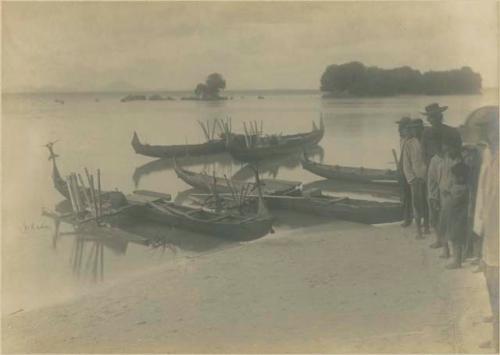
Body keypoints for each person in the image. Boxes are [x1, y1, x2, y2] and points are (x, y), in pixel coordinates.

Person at [474, 113, 499, 352]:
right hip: (490, 231)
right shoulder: (487, 155)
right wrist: (478, 226)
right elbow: (483, 194)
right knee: (491, 287)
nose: (489, 135)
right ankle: (496, 338)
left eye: (492, 130)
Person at [437, 136, 463, 259]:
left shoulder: (459, 161)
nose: (447, 151)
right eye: (446, 149)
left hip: (454, 196)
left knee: (453, 227)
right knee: (443, 224)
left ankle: (457, 257)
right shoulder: (446, 158)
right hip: (445, 195)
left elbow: (460, 181)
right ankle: (445, 251)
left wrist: (450, 190)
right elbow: (442, 176)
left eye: (449, 149)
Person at [402, 119, 428, 239]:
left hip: (427, 178)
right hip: (415, 180)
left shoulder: (427, 141)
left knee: (428, 203)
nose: (416, 130)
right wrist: (412, 178)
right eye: (413, 128)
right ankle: (418, 230)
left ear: (422, 128)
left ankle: (427, 226)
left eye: (418, 128)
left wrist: (426, 176)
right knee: (416, 204)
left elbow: (430, 161)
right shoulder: (409, 144)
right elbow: (406, 163)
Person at [444, 162, 469, 269]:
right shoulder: (460, 187)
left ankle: (457, 262)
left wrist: (447, 195)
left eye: (454, 176)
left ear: (461, 178)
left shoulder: (461, 188)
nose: (453, 178)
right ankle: (459, 258)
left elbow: (454, 201)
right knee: (456, 239)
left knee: (456, 239)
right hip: (457, 217)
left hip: (458, 218)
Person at [396, 117, 413, 227]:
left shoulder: (412, 141)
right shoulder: (402, 140)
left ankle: (409, 218)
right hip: (402, 172)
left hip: (410, 173)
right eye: (399, 127)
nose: (399, 130)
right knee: (405, 195)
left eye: (402, 128)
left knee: (410, 195)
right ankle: (407, 218)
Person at [427, 147, 444, 248]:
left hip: (437, 194)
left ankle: (440, 241)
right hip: (434, 193)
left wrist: (434, 196)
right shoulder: (435, 159)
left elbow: (435, 180)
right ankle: (439, 240)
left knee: (438, 219)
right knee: (434, 219)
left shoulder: (438, 160)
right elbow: (432, 180)